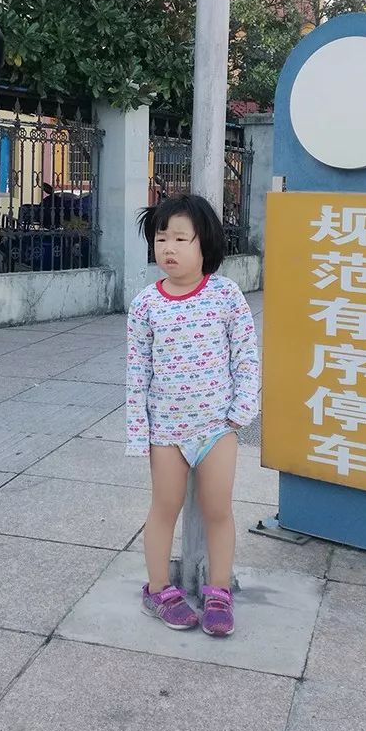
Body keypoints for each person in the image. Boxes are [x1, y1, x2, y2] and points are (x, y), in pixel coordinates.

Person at [125, 194, 260, 638]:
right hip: (166, 431)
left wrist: (242, 411)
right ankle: (159, 589)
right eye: (162, 238)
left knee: (218, 508)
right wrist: (138, 431)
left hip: (217, 427)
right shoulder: (146, 304)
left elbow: (245, 356)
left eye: (182, 238)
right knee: (164, 507)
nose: (170, 248)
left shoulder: (226, 295)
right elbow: (138, 371)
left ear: (206, 245)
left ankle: (218, 589)